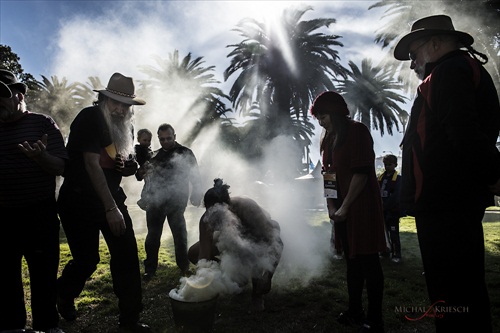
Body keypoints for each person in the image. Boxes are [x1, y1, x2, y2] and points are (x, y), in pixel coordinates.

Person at [394, 15, 500, 332]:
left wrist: (495, 176)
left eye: (414, 55)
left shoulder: (450, 72)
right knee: (457, 293)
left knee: (454, 297)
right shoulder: (453, 71)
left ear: (436, 43)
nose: (412, 64)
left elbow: (466, 136)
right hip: (447, 203)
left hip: (446, 205)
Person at [56, 73, 150, 333]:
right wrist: (111, 209)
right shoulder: (89, 117)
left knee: (127, 257)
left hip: (111, 198)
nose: (120, 109)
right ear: (103, 99)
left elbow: (119, 164)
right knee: (87, 261)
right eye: (115, 102)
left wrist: (129, 166)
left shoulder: (126, 126)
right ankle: (63, 293)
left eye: (126, 105)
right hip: (79, 201)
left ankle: (129, 321)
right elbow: (91, 164)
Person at [311, 91, 386, 333]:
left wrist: (345, 206)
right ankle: (355, 311)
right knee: (351, 262)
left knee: (368, 261)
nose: (320, 122)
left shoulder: (357, 131)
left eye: (323, 116)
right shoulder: (328, 141)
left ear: (335, 113)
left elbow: (362, 173)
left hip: (362, 206)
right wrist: (333, 207)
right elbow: (329, 176)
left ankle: (375, 319)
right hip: (342, 208)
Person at [0, 70, 67, 333]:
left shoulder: (42, 123)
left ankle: (47, 326)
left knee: (43, 276)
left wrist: (41, 158)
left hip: (39, 214)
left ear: (19, 95)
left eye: (2, 96)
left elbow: (62, 166)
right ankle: (11, 326)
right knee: (5, 277)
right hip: (3, 216)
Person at [187, 178, 283, 312]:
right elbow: (203, 253)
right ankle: (235, 277)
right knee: (193, 253)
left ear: (228, 206)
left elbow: (276, 243)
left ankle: (257, 295)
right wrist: (202, 280)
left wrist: (268, 275)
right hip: (229, 238)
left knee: (252, 253)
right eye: (210, 212)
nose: (214, 217)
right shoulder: (207, 219)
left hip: (260, 235)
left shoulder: (248, 209)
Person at [136, 123, 202, 279]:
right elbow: (140, 176)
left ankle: (184, 267)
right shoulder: (153, 155)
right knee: (153, 237)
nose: (165, 141)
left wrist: (196, 193)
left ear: (175, 137)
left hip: (176, 201)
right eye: (162, 139)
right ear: (158, 138)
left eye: (168, 138)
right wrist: (140, 172)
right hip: (155, 201)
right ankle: (150, 269)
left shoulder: (185, 153)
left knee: (180, 235)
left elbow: (196, 176)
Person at [377, 154, 403, 262]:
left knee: (393, 232)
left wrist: (386, 206)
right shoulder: (381, 178)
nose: (387, 167)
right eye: (385, 164)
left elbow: (396, 196)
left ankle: (396, 254)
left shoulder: (398, 179)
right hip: (382, 209)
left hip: (392, 211)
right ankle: (385, 251)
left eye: (390, 164)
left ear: (395, 165)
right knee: (383, 232)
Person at [134, 128, 153, 210]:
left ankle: (147, 200)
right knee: (148, 185)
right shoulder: (138, 149)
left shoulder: (148, 149)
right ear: (139, 140)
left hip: (149, 169)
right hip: (145, 168)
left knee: (149, 184)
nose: (147, 143)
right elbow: (139, 159)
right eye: (144, 140)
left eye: (149, 140)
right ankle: (143, 200)